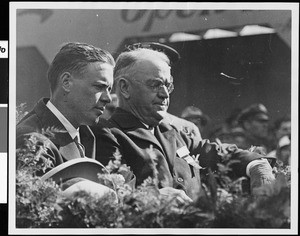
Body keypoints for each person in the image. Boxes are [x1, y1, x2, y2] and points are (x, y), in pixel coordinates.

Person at [91, 42, 275, 201]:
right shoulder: (106, 134)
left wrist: (256, 164)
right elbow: (115, 194)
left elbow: (219, 153)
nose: (164, 94)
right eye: (155, 84)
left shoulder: (171, 132)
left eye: (167, 85)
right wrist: (157, 197)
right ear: (124, 88)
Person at [16, 42, 118, 198]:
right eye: (99, 87)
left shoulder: (86, 132)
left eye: (109, 89)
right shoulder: (32, 140)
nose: (108, 98)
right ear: (66, 82)